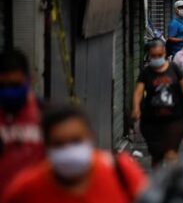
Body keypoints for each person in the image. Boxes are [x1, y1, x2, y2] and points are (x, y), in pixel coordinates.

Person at [3, 105, 147, 203]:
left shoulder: (120, 172)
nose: (68, 150)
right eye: (59, 144)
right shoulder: (26, 189)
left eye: (76, 140)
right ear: (45, 146)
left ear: (91, 138)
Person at [131, 40, 183, 167]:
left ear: (164, 53)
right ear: (149, 55)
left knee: (171, 154)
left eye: (160, 55)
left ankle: (172, 181)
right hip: (152, 121)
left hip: (174, 119)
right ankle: (159, 181)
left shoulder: (174, 69)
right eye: (154, 56)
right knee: (157, 156)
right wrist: (136, 108)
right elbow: (138, 91)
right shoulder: (146, 73)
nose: (157, 58)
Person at [0, 50, 44, 198]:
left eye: (15, 84)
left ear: (29, 80)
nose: (9, 91)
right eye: (2, 85)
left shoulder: (46, 115)